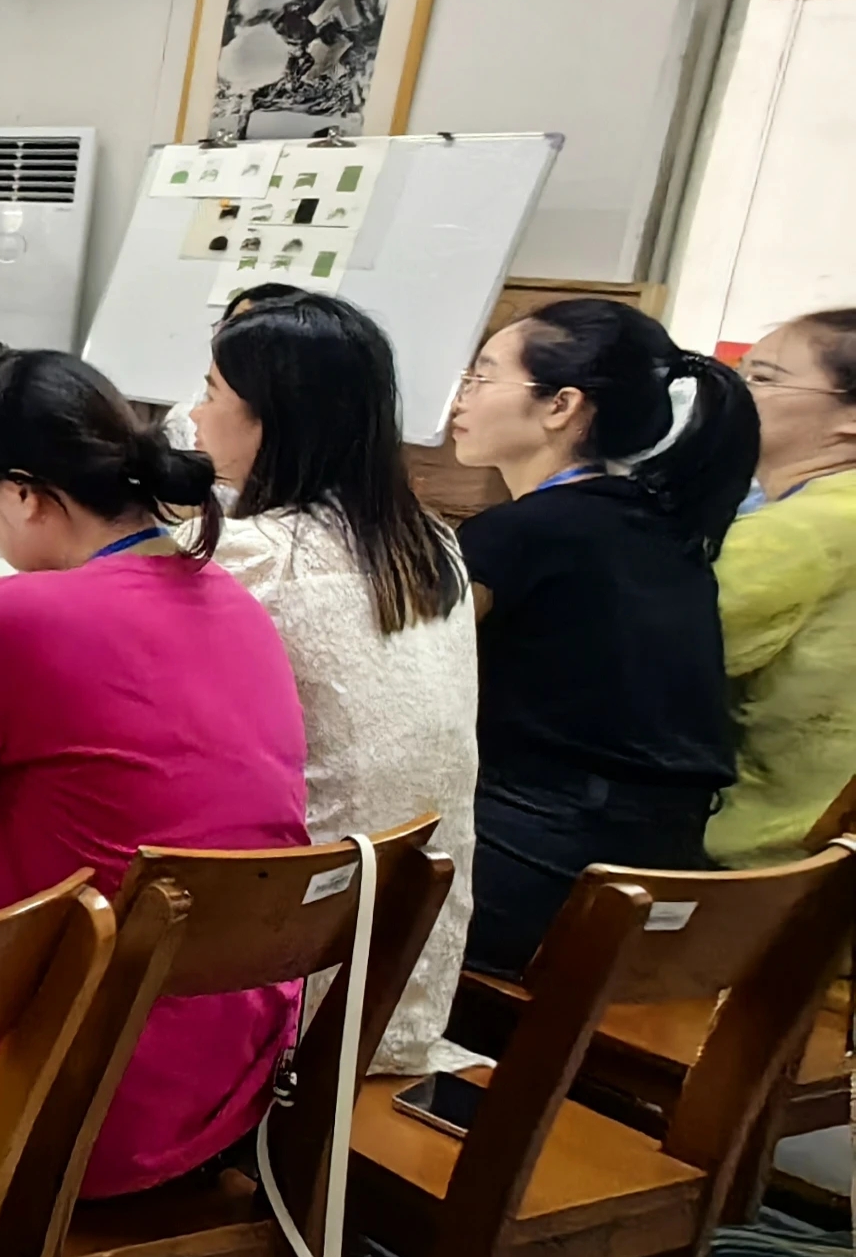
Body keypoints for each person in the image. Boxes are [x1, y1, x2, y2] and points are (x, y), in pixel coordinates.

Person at [0, 350, 308, 1197]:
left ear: (25, 496)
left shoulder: (11, 620)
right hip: (227, 1091)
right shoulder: (231, 600)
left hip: (63, 1102)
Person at [186, 292, 482, 1073]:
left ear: (270, 420)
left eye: (211, 393)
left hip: (289, 983)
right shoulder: (434, 544)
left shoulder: (246, 556)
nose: (194, 415)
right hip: (407, 976)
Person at [444, 298, 755, 968]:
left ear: (561, 405)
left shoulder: (518, 534)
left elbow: (414, 685)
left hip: (545, 869)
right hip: (667, 874)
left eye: (482, 376)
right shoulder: (666, 530)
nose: (461, 396)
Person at [718, 308, 856, 865]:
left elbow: (644, 661)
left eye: (762, 378)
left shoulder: (802, 531)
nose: (733, 393)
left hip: (767, 852)